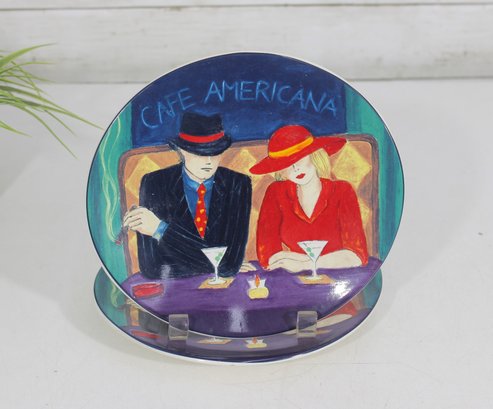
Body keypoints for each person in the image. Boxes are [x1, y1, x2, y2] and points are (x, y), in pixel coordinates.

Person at [123, 112, 252, 279]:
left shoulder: (238, 184)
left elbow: (228, 265)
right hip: (174, 289)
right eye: (199, 153)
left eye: (215, 152)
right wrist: (214, 264)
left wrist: (160, 230)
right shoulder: (154, 183)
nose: (208, 161)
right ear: (182, 151)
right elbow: (153, 268)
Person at [249, 125, 368, 272]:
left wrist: (305, 264)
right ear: (280, 170)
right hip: (292, 279)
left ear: (314, 155)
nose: (295, 168)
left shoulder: (342, 191)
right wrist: (302, 262)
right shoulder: (276, 192)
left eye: (300, 158)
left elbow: (357, 255)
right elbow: (268, 256)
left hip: (341, 276)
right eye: (287, 163)